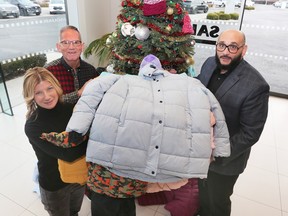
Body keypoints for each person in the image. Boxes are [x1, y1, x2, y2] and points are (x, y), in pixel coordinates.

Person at [41, 54, 230, 216]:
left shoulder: (124, 79)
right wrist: (220, 149)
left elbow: (90, 95)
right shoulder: (122, 80)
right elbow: (216, 109)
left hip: (118, 170)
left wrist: (77, 129)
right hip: (122, 174)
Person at [197, 29, 270, 216]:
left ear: (243, 50)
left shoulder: (256, 85)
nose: (225, 52)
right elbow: (199, 85)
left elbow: (250, 133)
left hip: (225, 161)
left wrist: (216, 152)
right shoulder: (208, 63)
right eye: (222, 45)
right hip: (199, 150)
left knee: (218, 202)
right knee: (203, 195)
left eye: (233, 47)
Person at [23, 67, 88, 216]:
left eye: (49, 88)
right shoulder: (33, 125)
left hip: (77, 177)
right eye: (38, 92)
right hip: (54, 186)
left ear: (56, 86)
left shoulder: (71, 108)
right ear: (31, 96)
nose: (46, 96)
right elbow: (68, 155)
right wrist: (91, 139)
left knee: (74, 211)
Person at [44, 25, 100, 104]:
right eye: (65, 42)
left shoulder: (91, 70)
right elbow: (47, 101)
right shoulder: (49, 72)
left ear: (82, 46)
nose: (71, 47)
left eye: (76, 42)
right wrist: (79, 93)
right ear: (58, 47)